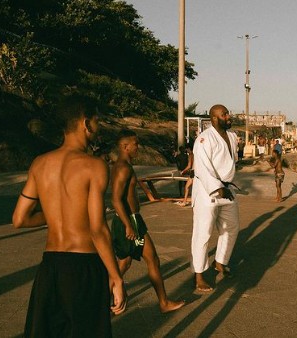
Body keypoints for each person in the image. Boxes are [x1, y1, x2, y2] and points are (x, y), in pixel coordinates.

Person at [12, 95, 127, 337]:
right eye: (97, 121)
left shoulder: (39, 163)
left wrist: (55, 213)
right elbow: (97, 229)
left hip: (50, 267)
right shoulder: (94, 166)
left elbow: (19, 219)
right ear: (86, 124)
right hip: (83, 268)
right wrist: (116, 277)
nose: (98, 127)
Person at [111, 129, 185, 313]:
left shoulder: (124, 165)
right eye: (135, 144)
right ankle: (162, 302)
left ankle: (163, 302)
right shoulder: (123, 167)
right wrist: (128, 225)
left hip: (133, 220)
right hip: (129, 221)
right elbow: (116, 199)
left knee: (141, 261)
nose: (138, 147)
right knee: (134, 262)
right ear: (125, 146)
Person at [191, 104, 240, 292]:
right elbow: (202, 168)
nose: (228, 116)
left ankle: (220, 261)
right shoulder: (204, 139)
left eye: (228, 113)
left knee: (232, 227)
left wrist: (225, 187)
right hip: (207, 190)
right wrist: (217, 188)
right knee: (203, 233)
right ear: (213, 118)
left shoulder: (232, 136)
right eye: (224, 114)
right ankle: (199, 275)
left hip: (227, 189)